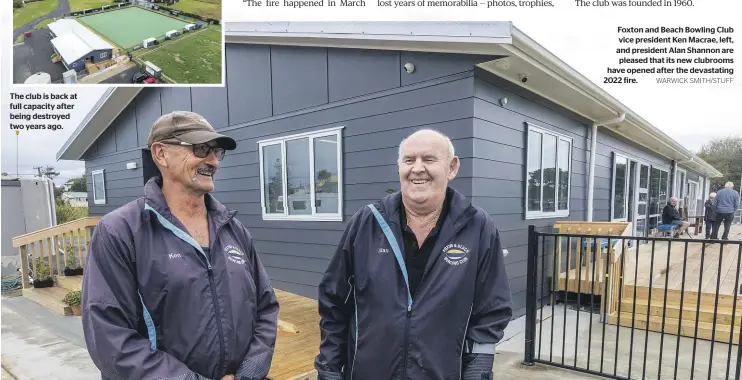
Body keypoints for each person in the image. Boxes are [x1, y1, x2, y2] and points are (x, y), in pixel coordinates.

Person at [81, 111, 279, 380]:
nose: (212, 161)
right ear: (161, 154)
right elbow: (109, 338)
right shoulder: (121, 232)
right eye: (200, 149)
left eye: (216, 152)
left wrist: (250, 373)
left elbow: (266, 308)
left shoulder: (234, 230)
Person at [314, 129, 513, 380]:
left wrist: (478, 370)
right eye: (409, 160)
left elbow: (493, 309)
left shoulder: (478, 227)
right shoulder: (367, 223)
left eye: (429, 159)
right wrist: (329, 370)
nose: (417, 169)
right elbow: (334, 303)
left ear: (452, 168)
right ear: (399, 168)